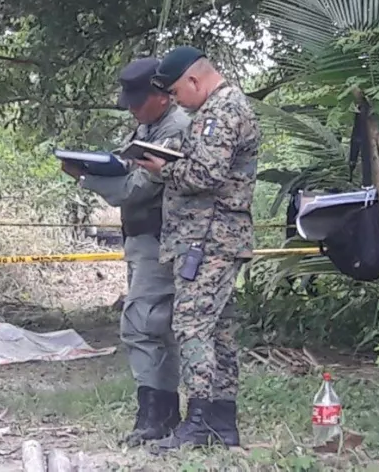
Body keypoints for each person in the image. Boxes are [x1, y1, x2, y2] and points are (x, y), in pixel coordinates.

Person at [60, 57, 192, 446]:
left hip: (159, 239)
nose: (132, 109)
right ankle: (161, 412)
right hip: (142, 239)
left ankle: (155, 416)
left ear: (162, 95)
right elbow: (126, 167)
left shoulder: (175, 130)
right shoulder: (149, 126)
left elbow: (137, 188)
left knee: (141, 325)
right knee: (155, 326)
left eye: (138, 101)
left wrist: (86, 178)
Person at [136, 46, 260, 450]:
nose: (175, 101)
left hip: (209, 238)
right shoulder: (220, 108)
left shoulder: (221, 110)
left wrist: (164, 168)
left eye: (175, 92)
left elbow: (205, 175)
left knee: (191, 326)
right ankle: (222, 422)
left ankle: (200, 420)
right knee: (218, 331)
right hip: (212, 237)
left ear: (193, 80)